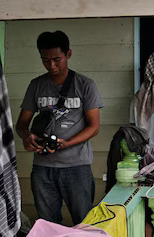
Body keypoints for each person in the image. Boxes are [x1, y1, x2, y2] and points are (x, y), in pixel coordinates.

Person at [16, 31, 102, 225]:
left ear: (68, 54)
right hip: (42, 168)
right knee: (47, 224)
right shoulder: (36, 85)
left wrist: (67, 143)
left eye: (57, 60)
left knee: (83, 222)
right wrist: (27, 137)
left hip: (77, 166)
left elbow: (94, 126)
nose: (52, 66)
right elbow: (21, 124)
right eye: (45, 60)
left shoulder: (85, 85)